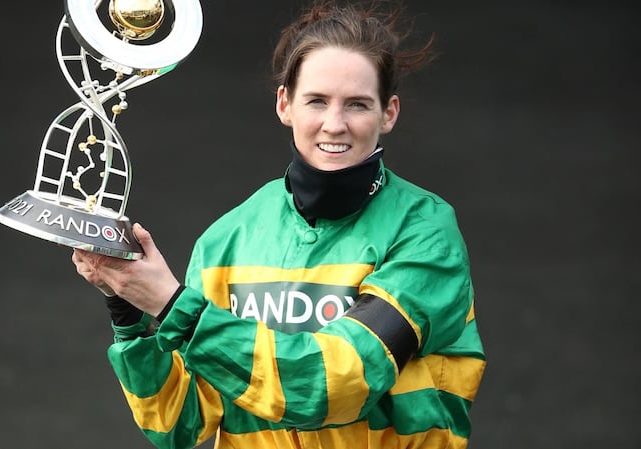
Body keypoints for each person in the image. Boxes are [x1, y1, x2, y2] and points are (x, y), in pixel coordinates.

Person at [71, 1, 486, 448]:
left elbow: (333, 386)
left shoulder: (424, 232)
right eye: (317, 101)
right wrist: (128, 311)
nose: (335, 124)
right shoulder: (227, 240)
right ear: (285, 104)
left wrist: (174, 308)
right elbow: (178, 423)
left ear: (389, 113)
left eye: (358, 105)